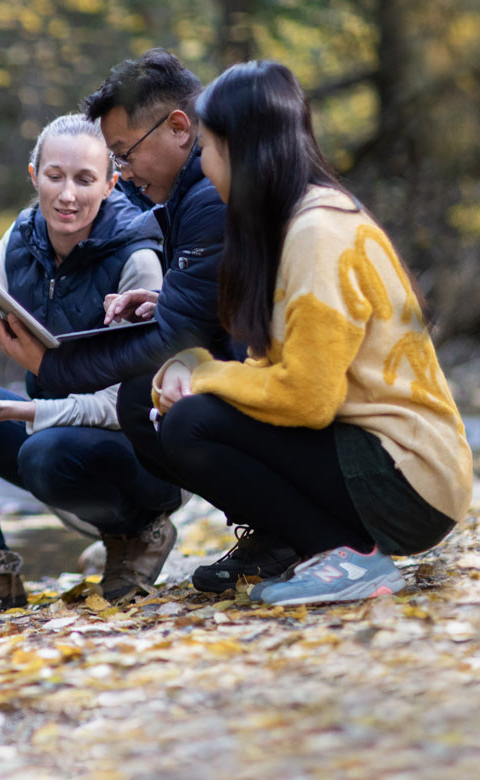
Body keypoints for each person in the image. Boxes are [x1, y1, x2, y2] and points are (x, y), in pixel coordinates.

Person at [147, 60, 473, 605]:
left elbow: (306, 399)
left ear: (239, 149)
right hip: (388, 461)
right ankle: (309, 545)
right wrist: (195, 371)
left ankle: (344, 555)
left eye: (206, 147)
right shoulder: (300, 224)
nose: (201, 162)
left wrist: (206, 377)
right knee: (178, 410)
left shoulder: (317, 233)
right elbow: (284, 374)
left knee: (192, 425)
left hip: (409, 479)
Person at [0, 49, 297, 584]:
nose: (122, 173)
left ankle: (287, 533)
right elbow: (215, 303)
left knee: (149, 399)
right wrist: (166, 298)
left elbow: (180, 336)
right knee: (146, 398)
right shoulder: (187, 194)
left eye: (123, 154)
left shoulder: (207, 196)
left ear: (179, 128)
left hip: (293, 389)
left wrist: (54, 367)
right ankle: (274, 530)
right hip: (267, 375)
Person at [0, 114, 181, 613]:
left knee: (42, 453)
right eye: (55, 176)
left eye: (85, 180)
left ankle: (140, 533)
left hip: (139, 460)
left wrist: (8, 413)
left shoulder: (138, 256)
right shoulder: (22, 240)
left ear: (110, 184)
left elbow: (124, 406)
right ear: (34, 176)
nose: (68, 195)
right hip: (48, 437)